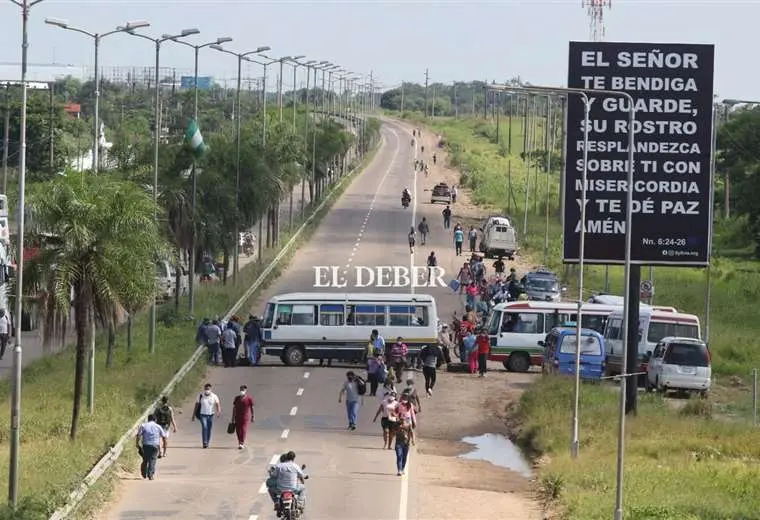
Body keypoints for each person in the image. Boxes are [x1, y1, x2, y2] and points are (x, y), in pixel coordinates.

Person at [135, 414, 167, 480]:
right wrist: (164, 446)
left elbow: (138, 435)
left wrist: (137, 443)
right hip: (155, 446)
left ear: (148, 419)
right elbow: (164, 437)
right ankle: (150, 474)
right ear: (155, 420)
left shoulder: (143, 425)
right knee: (152, 460)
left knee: (145, 459)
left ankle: (144, 473)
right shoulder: (158, 426)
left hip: (146, 445)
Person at [192, 383, 221, 448]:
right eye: (206, 389)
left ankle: (207, 442)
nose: (207, 390)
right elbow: (196, 405)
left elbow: (217, 404)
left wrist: (218, 411)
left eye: (208, 389)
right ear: (204, 389)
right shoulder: (200, 396)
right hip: (202, 415)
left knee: (209, 429)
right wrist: (193, 414)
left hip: (211, 415)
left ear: (210, 389)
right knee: (204, 427)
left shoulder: (214, 396)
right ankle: (204, 442)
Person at [232, 384, 255, 449]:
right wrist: (232, 417)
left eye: (243, 389)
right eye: (241, 389)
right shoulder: (236, 398)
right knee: (238, 430)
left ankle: (242, 442)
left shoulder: (249, 399)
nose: (242, 391)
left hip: (245, 417)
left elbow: (252, 407)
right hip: (237, 417)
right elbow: (234, 408)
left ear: (246, 390)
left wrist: (253, 416)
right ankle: (239, 441)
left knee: (243, 429)